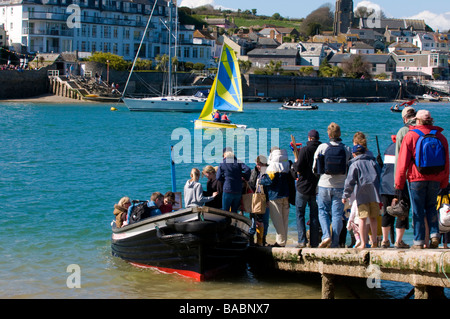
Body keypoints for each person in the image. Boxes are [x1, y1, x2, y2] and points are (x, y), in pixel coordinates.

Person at [395, 110, 449, 249]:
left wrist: (399, 184)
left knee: (418, 210)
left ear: (417, 121)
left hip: (416, 178)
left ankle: (418, 242)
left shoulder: (411, 136)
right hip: (436, 178)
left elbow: (402, 163)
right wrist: (444, 182)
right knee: (432, 207)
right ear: (431, 121)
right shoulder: (441, 137)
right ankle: (435, 234)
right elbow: (446, 162)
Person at [313, 122, 352, 248]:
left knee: (323, 211)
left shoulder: (322, 147)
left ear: (328, 134)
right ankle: (335, 242)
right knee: (337, 214)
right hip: (340, 185)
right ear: (339, 134)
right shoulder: (347, 149)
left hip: (324, 184)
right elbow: (349, 167)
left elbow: (315, 168)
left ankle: (325, 235)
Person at [342, 144, 382, 249]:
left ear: (354, 154)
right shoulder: (373, 162)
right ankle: (374, 241)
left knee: (362, 218)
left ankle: (363, 243)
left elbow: (349, 182)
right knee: (373, 218)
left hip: (361, 195)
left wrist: (345, 195)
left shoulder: (354, 164)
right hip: (374, 194)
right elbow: (379, 176)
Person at [293, 129, 321, 248]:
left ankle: (302, 240)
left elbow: (298, 167)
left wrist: (295, 162)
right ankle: (314, 242)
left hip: (303, 187)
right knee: (314, 215)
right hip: (316, 187)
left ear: (309, 138)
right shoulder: (321, 149)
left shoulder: (304, 150)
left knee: (300, 214)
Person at [380, 135, 409, 248]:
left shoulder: (388, 148)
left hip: (385, 184)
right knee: (402, 212)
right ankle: (398, 241)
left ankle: (385, 240)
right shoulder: (403, 149)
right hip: (399, 184)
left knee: (387, 212)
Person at [260, 148, 291, 247]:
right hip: (286, 195)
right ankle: (283, 241)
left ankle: (280, 242)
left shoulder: (272, 166)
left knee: (277, 220)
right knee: (284, 220)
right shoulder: (287, 164)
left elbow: (269, 181)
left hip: (275, 195)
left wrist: (261, 180)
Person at [216, 148, 251, 213]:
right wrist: (245, 177)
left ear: (224, 154)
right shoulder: (238, 162)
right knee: (234, 211)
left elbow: (218, 177)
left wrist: (225, 180)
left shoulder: (222, 163)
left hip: (227, 189)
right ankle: (234, 222)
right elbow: (248, 169)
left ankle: (226, 223)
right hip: (238, 190)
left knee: (225, 211)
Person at [248, 155, 270, 246]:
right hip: (255, 199)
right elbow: (250, 184)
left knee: (264, 221)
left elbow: (269, 186)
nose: (258, 166)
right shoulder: (253, 172)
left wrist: (268, 200)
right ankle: (251, 239)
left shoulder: (268, 173)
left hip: (264, 198)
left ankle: (262, 240)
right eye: (257, 164)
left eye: (260, 164)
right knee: (254, 221)